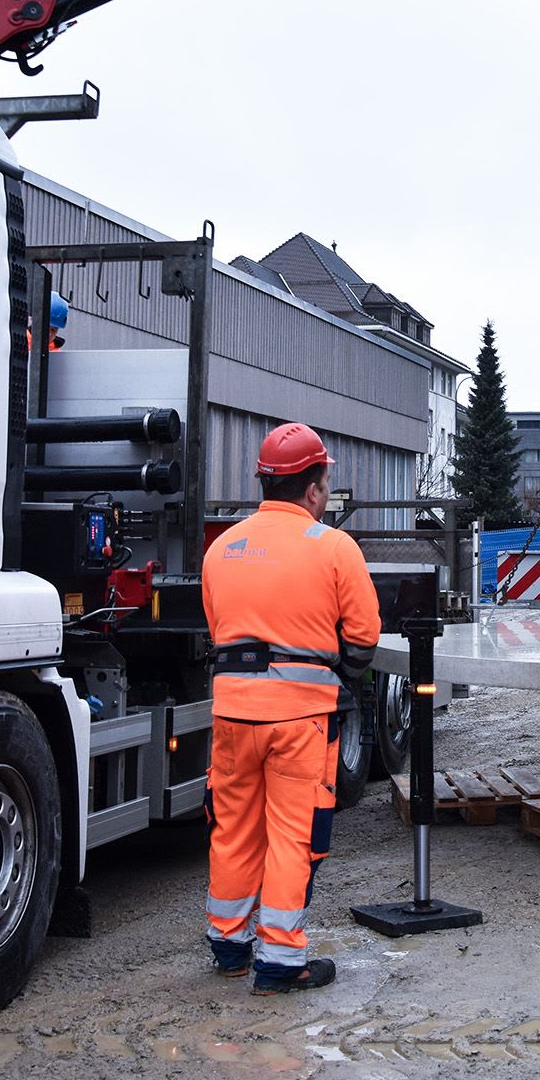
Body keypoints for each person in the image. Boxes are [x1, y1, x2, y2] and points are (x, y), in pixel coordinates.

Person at [200, 422, 382, 993]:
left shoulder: (221, 548)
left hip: (232, 714)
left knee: (232, 829)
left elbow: (219, 631)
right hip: (300, 720)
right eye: (325, 485)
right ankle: (280, 960)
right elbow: (364, 638)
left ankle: (229, 945)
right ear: (313, 488)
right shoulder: (333, 547)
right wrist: (337, 671)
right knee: (292, 836)